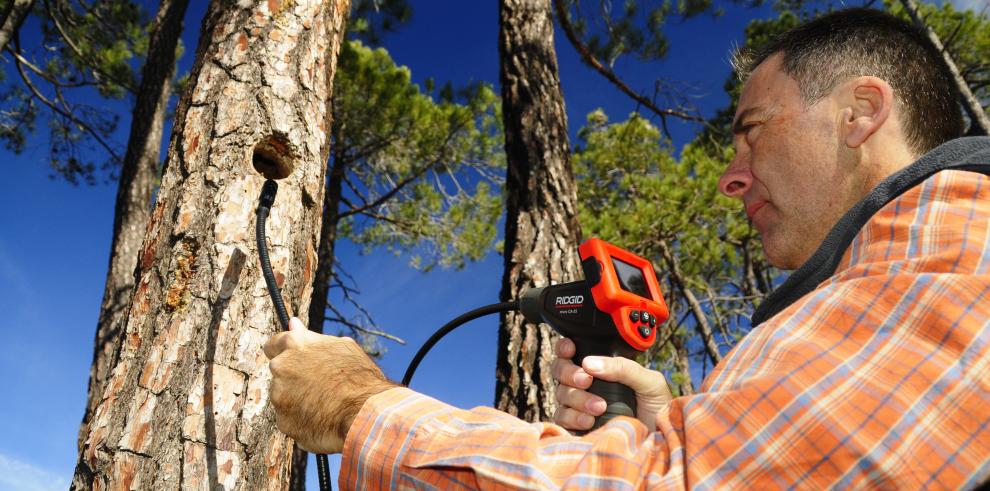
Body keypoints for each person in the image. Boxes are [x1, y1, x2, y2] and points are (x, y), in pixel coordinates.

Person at [263, 8, 990, 489]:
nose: (731, 177)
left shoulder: (953, 261)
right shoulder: (900, 283)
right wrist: (660, 431)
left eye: (753, 128)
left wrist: (359, 406)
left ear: (861, 112)